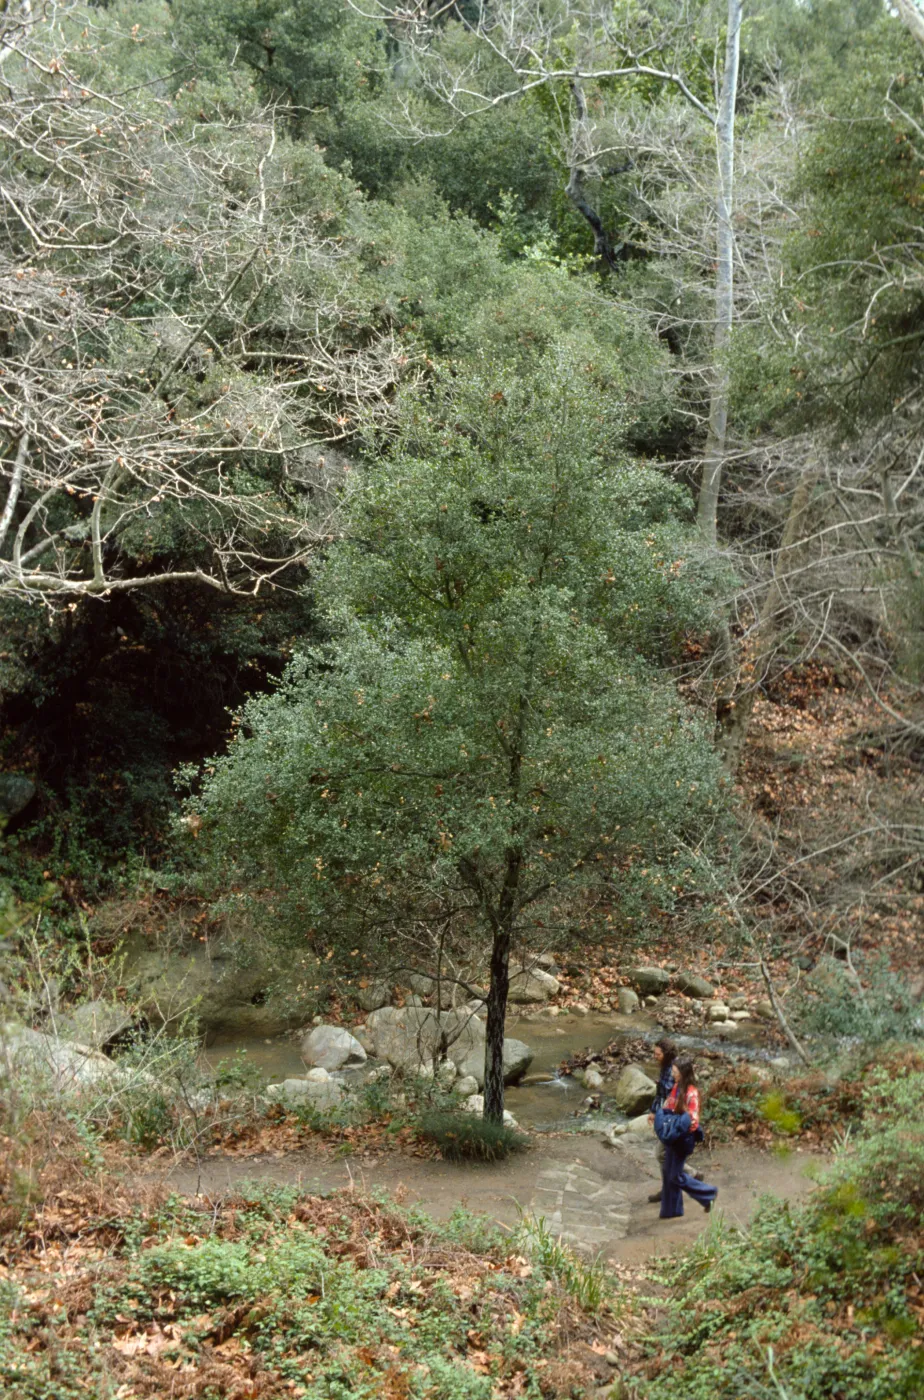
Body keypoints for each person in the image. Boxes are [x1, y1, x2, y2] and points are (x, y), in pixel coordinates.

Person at [654, 1057, 718, 1219]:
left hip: (682, 1139)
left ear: (683, 1073)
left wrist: (677, 1127)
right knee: (669, 1173)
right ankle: (671, 1210)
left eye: (675, 1072)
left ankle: (709, 1194)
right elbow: (669, 1105)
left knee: (675, 1176)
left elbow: (693, 1122)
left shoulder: (691, 1093)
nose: (673, 1074)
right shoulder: (677, 1087)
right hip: (673, 1136)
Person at [646, 1038, 677, 1203]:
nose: (654, 1056)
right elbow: (660, 1093)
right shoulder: (665, 1068)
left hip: (673, 1119)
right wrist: (653, 1111)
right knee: (665, 1154)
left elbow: (676, 1098)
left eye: (657, 1054)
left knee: (661, 1154)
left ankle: (692, 1176)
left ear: (666, 1054)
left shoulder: (675, 1071)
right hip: (665, 1117)